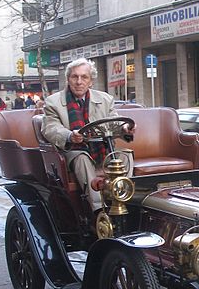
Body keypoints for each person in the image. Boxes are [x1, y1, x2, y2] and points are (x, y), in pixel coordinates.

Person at [42, 57, 135, 215]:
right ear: (68, 80)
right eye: (74, 77)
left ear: (90, 81)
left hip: (103, 150)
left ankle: (124, 199)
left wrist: (125, 128)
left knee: (125, 155)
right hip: (75, 152)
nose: (79, 82)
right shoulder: (53, 102)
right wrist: (70, 136)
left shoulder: (105, 99)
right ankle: (98, 210)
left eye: (84, 77)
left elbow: (114, 123)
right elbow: (50, 128)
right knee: (82, 158)